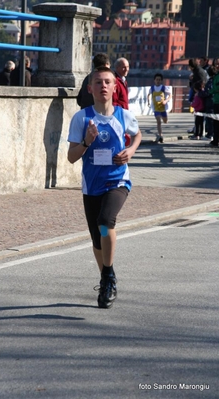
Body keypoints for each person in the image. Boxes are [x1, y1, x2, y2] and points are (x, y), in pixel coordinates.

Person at [67, 67, 142, 309]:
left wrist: (130, 151)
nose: (103, 86)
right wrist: (87, 141)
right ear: (90, 88)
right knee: (97, 239)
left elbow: (138, 135)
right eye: (98, 82)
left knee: (105, 220)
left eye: (108, 82)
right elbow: (71, 157)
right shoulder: (81, 118)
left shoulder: (123, 116)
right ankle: (106, 278)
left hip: (118, 180)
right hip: (92, 185)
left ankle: (108, 277)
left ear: (115, 87)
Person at [147, 73, 172, 143]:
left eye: (159, 80)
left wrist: (166, 101)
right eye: (156, 80)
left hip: (163, 107)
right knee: (158, 121)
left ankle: (165, 119)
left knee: (165, 121)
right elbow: (148, 95)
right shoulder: (152, 88)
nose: (158, 81)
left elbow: (170, 95)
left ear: (161, 81)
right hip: (156, 108)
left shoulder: (163, 88)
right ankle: (160, 135)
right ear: (154, 80)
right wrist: (148, 102)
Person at [208, 57, 219, 147]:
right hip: (216, 101)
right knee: (215, 121)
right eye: (216, 64)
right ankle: (215, 139)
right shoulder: (215, 75)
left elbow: (216, 88)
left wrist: (210, 91)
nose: (217, 65)